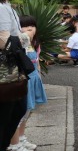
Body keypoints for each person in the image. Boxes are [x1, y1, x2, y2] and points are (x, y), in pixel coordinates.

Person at [8, 16, 48, 151]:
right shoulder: (20, 44)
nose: (30, 28)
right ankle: (14, 144)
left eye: (32, 25)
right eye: (25, 26)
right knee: (18, 112)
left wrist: (39, 79)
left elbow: (37, 64)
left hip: (33, 80)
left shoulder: (35, 43)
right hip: (23, 82)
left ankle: (22, 137)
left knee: (27, 111)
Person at [0, 0, 27, 151]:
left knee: (15, 111)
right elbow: (3, 41)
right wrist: (27, 36)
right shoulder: (1, 8)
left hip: (12, 70)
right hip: (6, 72)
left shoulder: (7, 4)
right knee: (8, 114)